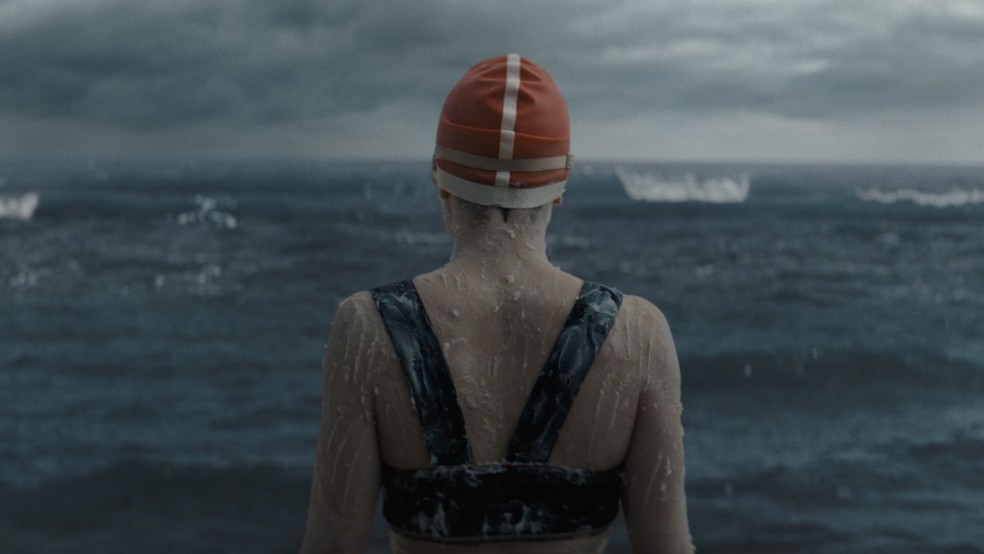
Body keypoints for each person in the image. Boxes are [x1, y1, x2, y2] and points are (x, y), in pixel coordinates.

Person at [300, 54, 693, 554]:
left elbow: (331, 546)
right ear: (558, 189)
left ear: (440, 178)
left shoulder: (368, 328)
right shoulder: (637, 333)